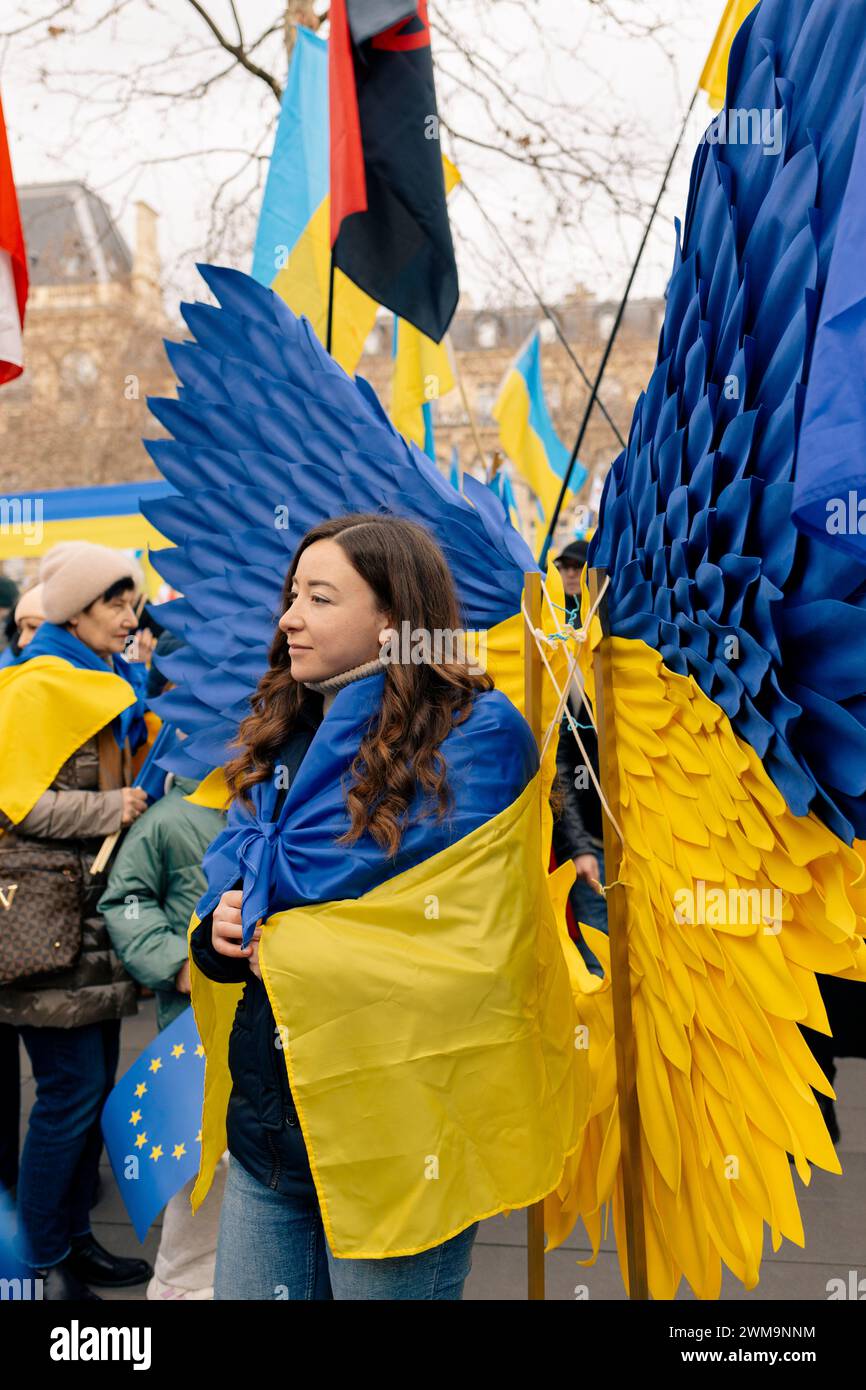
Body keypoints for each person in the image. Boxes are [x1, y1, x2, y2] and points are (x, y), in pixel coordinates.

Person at [188, 512, 579, 1301]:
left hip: (406, 1135)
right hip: (274, 1131)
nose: (291, 616)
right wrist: (217, 933)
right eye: (292, 594)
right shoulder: (285, 727)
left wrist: (292, 946)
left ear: (395, 620)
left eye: (321, 598)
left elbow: (478, 953)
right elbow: (238, 884)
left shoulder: (478, 736)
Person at [0, 541, 154, 1300]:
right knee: (66, 1096)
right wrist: (113, 807)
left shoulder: (108, 680)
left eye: (132, 603)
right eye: (114, 604)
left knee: (85, 1092)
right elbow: (17, 804)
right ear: (73, 611)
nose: (130, 618)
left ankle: (71, 1244)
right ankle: (34, 1267)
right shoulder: (33, 687)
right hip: (44, 926)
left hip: (86, 927)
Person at [98, 765, 227, 1299]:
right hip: (192, 1028)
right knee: (200, 1160)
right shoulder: (167, 820)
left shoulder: (275, 806)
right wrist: (177, 962)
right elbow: (125, 898)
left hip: (263, 1025)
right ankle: (182, 1284)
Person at [551, 539, 608, 977]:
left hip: (636, 836)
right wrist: (580, 845)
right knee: (596, 953)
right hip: (591, 839)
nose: (571, 573)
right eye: (564, 566)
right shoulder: (553, 640)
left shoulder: (615, 635)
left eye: (579, 566)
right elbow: (561, 764)